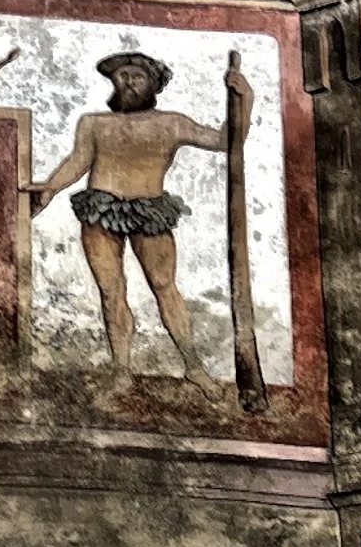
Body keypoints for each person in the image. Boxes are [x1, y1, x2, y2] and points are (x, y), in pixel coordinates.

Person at [29, 47, 237, 381]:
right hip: (101, 209)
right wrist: (51, 187)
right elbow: (78, 161)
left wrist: (245, 98)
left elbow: (224, 141)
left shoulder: (172, 123)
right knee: (111, 290)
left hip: (149, 210)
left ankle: (194, 366)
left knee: (163, 285)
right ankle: (121, 368)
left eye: (138, 77)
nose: (128, 83)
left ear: (154, 84)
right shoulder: (94, 123)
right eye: (122, 76)